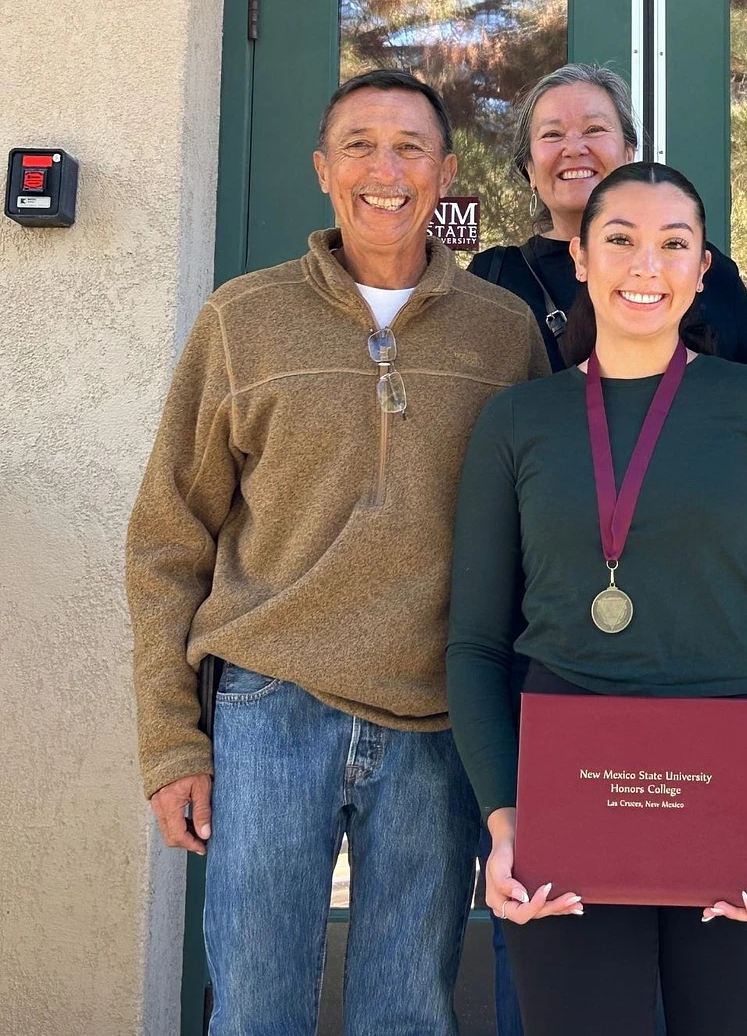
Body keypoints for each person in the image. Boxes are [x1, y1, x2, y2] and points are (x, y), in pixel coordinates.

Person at [127, 69, 550, 1036]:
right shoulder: (243, 318)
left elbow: (542, 534)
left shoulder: (503, 332)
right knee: (255, 1008)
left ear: (445, 173)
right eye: (359, 144)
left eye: (409, 147)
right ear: (323, 170)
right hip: (270, 706)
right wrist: (169, 742)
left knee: (407, 1013)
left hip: (438, 718)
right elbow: (166, 538)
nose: (384, 168)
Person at [447, 161, 747, 1036]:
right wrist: (504, 820)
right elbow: (476, 645)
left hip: (737, 799)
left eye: (674, 245)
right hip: (566, 802)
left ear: (703, 270)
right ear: (582, 260)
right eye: (621, 240)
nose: (646, 265)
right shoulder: (517, 422)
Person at [470, 62, 747, 372]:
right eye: (552, 134)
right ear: (529, 169)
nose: (574, 148)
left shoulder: (701, 269)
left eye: (594, 129)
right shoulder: (492, 277)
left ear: (629, 153)